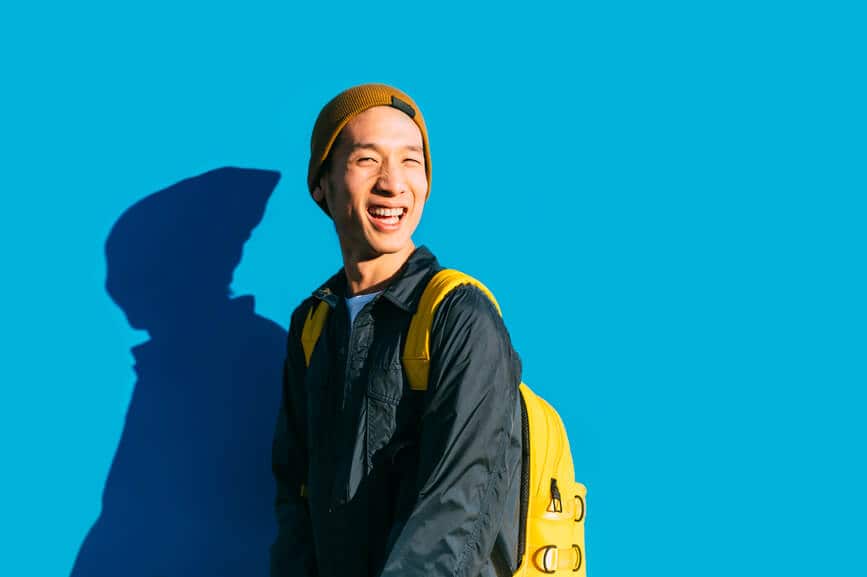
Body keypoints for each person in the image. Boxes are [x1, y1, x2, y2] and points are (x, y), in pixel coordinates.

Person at [271, 83, 523, 577]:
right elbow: (294, 496)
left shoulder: (458, 316)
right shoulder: (313, 324)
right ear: (321, 182)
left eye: (411, 161)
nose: (393, 183)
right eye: (367, 160)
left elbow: (456, 509)